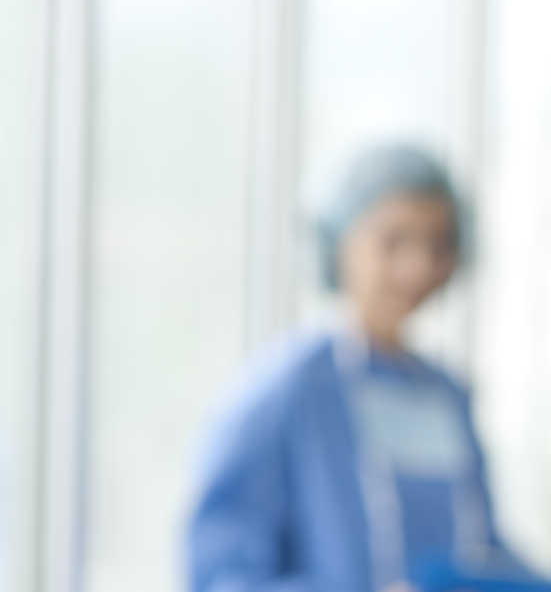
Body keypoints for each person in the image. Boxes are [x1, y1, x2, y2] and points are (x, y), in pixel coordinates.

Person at [188, 143, 524, 591]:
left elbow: (481, 552)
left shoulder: (448, 394)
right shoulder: (286, 390)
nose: (418, 267)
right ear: (340, 242)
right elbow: (221, 576)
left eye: (438, 244)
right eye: (394, 241)